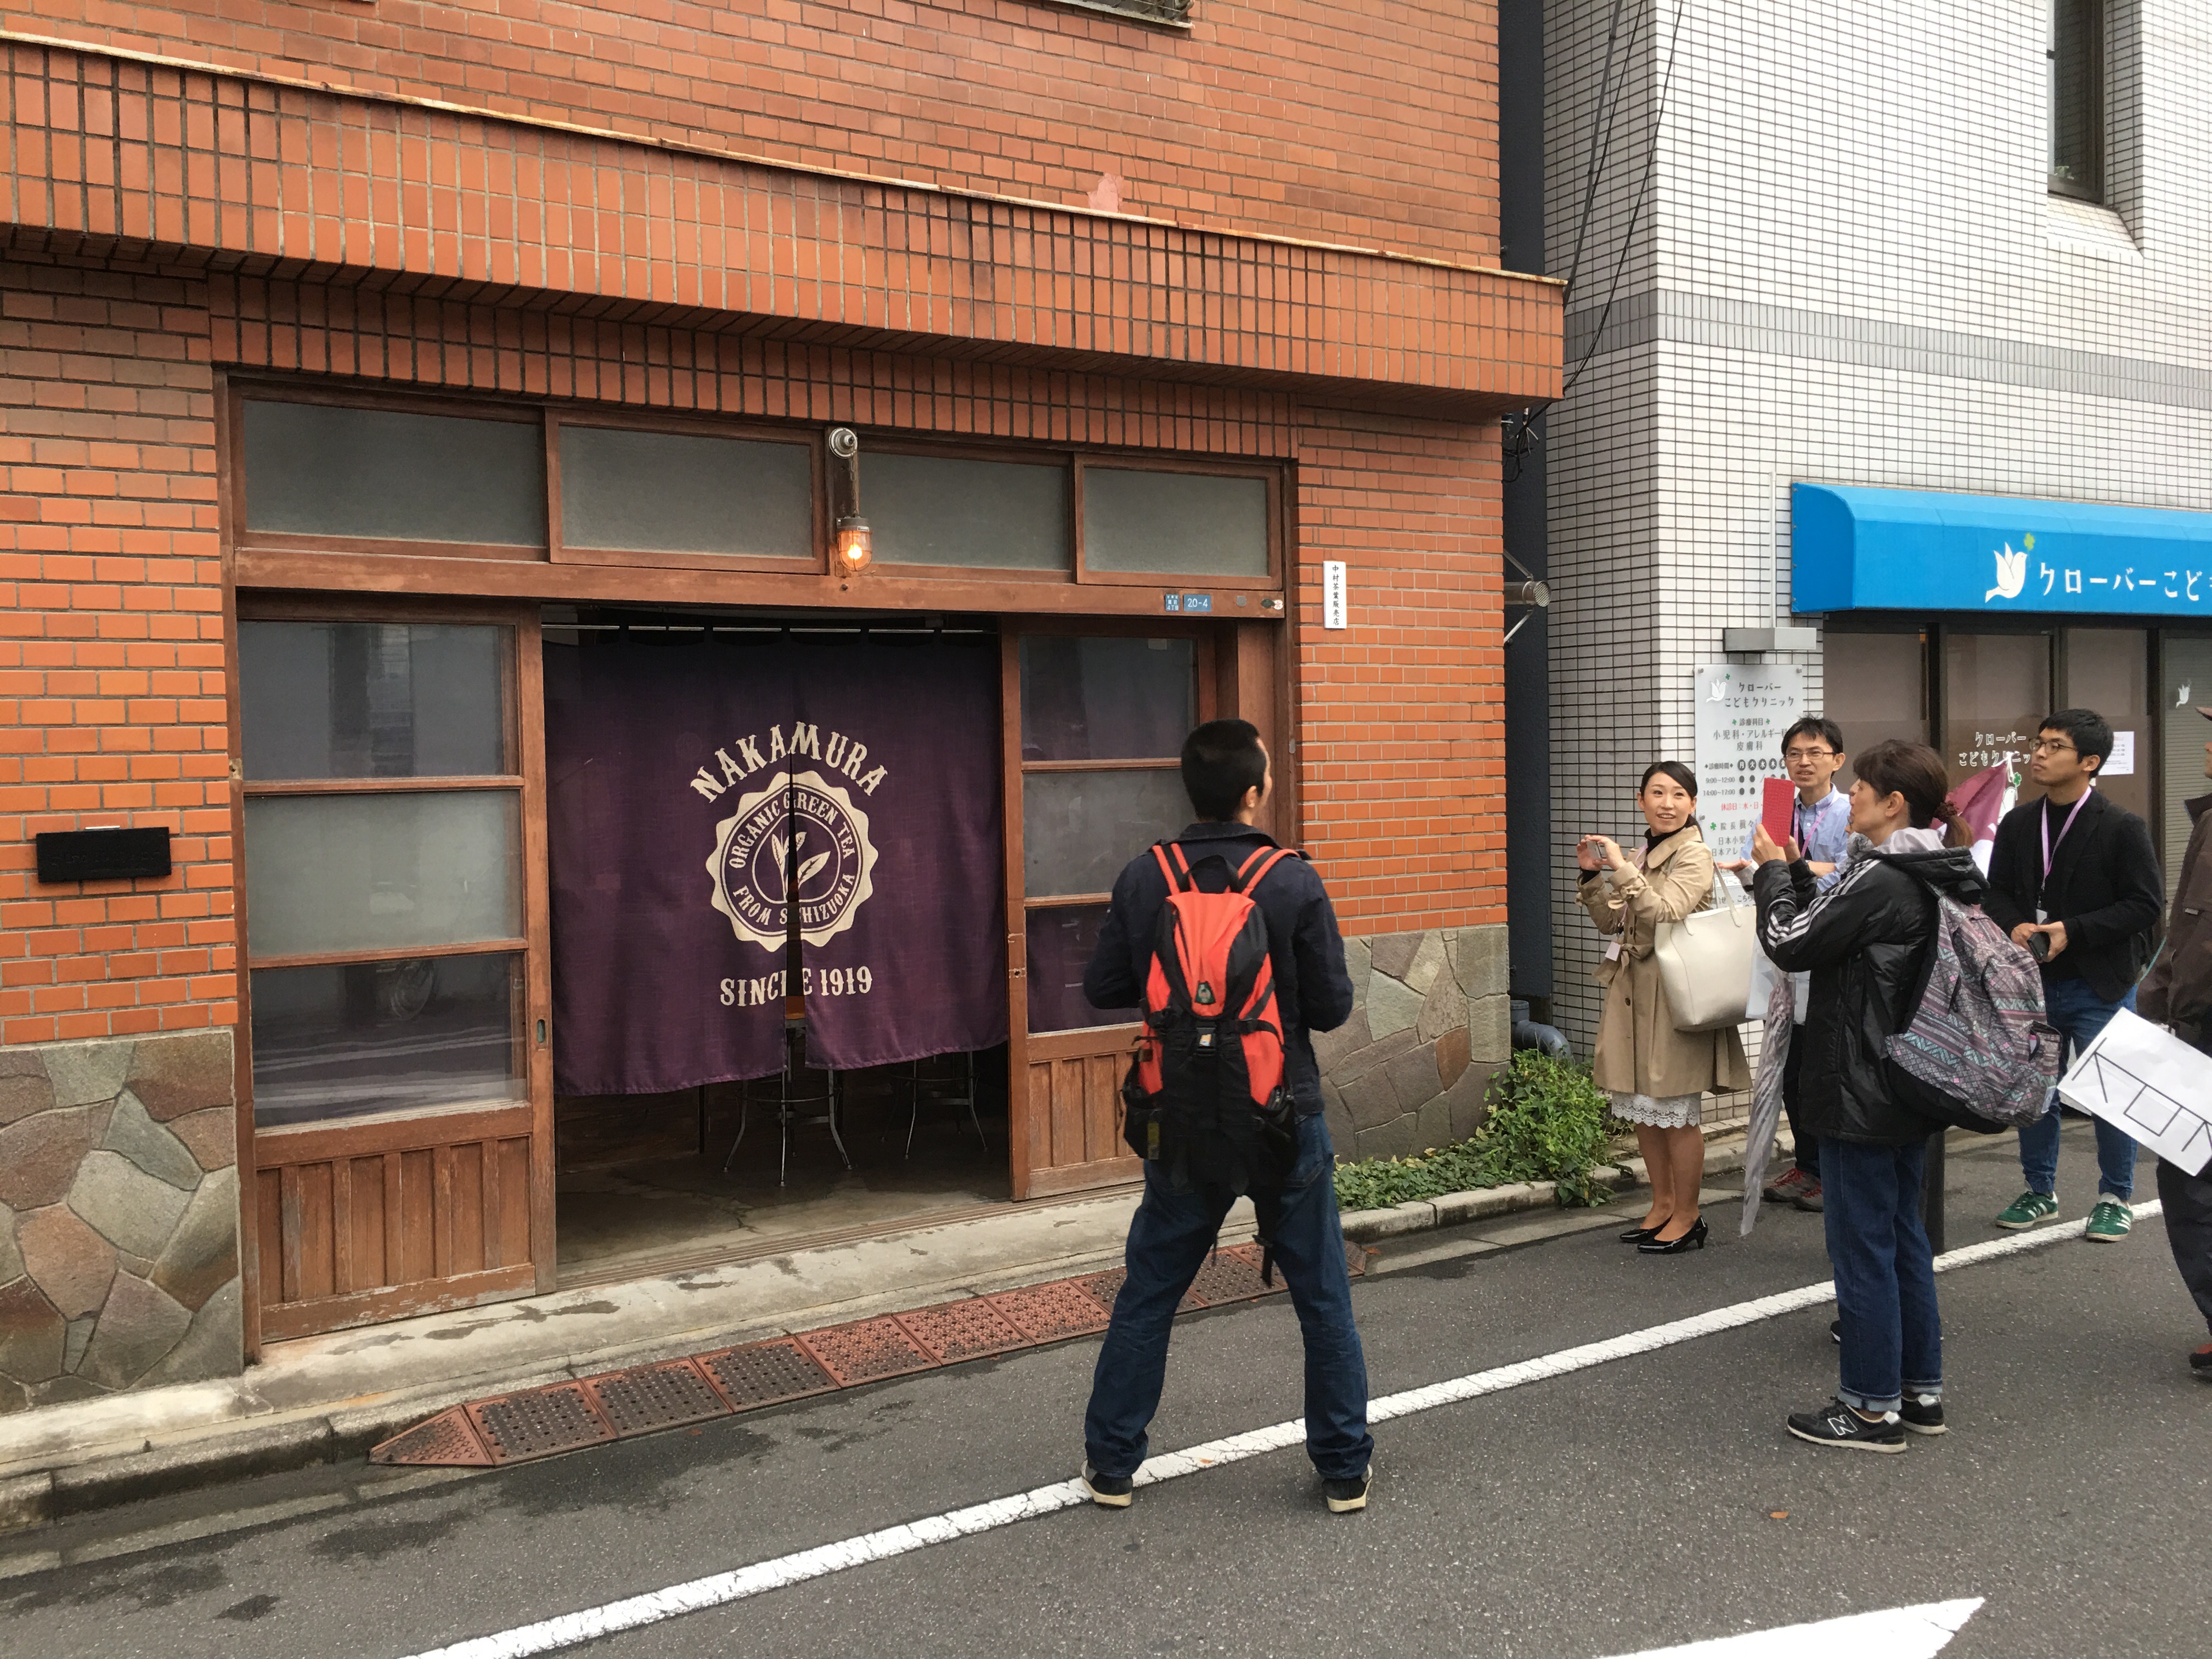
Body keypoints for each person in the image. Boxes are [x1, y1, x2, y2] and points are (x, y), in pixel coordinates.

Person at [1076, 719, 1370, 1514]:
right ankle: (1344, 1469)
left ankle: (1111, 1466)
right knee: (1323, 1298)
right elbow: (1333, 1007)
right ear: (1254, 791)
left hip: (1179, 1117)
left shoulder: (1147, 876)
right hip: (1284, 1113)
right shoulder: (1292, 880)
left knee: (1149, 1292)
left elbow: (1103, 987)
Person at [1750, 738, 1980, 1451]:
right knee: (1904, 1239)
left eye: (1860, 787)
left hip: (1860, 1086)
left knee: (1863, 1248)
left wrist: (1770, 875)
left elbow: (1792, 940)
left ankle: (1870, 1408)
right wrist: (1796, 870)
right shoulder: (1935, 868)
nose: (1850, 795)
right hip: (1910, 1082)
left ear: (1894, 803)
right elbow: (1835, 930)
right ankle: (1919, 1392)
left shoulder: (1881, 876)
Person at [1978, 708, 2164, 1242]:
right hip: (2032, 982)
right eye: (2038, 743)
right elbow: (1995, 891)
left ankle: (2115, 1197)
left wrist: (2073, 930)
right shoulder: (2019, 823)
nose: (2039, 753)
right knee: (2036, 1092)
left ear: (2089, 762)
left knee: (2112, 1092)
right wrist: (2014, 924)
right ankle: (2040, 1190)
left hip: (2100, 982)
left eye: (2054, 746)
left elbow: (2145, 904)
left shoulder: (2122, 827)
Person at [1577, 761, 1751, 1255]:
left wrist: (1622, 869)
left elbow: (1667, 912)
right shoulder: (1644, 852)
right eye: (1657, 793)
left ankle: (1689, 1214)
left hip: (1674, 997)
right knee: (1644, 1107)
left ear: (1693, 804)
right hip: (1634, 992)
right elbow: (1613, 925)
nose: (1667, 803)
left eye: (1678, 794)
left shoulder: (1694, 853)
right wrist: (1592, 877)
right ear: (1641, 800)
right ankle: (1662, 1205)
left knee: (1675, 1109)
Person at [1722, 716, 1854, 1214]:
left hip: (1830, 950)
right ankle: (1807, 1163)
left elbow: (1850, 877)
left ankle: (1831, 1171)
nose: (1803, 762)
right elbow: (1756, 867)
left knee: (1824, 1069)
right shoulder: (1777, 808)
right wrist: (1752, 872)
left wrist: (1795, 868)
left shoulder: (1848, 811)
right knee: (1790, 1067)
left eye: (1815, 753)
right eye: (1794, 753)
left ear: (1837, 760)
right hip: (1785, 949)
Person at [2124, 703, 2212, 1381]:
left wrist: (2166, 1008)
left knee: (2191, 1178)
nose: (2207, 746)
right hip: (2195, 1021)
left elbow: (2198, 939)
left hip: (2203, 1029)